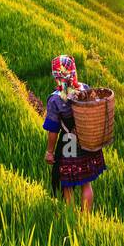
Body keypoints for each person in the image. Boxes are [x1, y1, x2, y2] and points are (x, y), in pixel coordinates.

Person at [42, 55, 105, 213]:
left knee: (67, 183)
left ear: (56, 76)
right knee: (86, 183)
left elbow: (53, 130)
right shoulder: (84, 89)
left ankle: (69, 216)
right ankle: (86, 219)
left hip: (68, 143)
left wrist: (49, 152)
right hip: (87, 140)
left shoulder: (55, 100)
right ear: (73, 71)